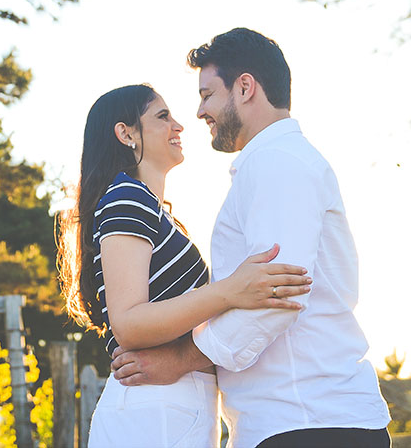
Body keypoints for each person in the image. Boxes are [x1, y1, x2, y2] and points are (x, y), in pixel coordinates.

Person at [110, 29, 392, 448]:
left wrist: (182, 360)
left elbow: (276, 297)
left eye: (207, 94)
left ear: (245, 87)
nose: (200, 111)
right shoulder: (274, 163)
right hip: (298, 423)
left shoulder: (276, 163)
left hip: (308, 423)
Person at [56, 83, 312, 448]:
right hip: (155, 406)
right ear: (125, 133)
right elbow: (127, 323)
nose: (179, 125)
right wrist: (229, 291)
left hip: (174, 403)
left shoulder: (148, 207)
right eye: (163, 117)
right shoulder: (127, 197)